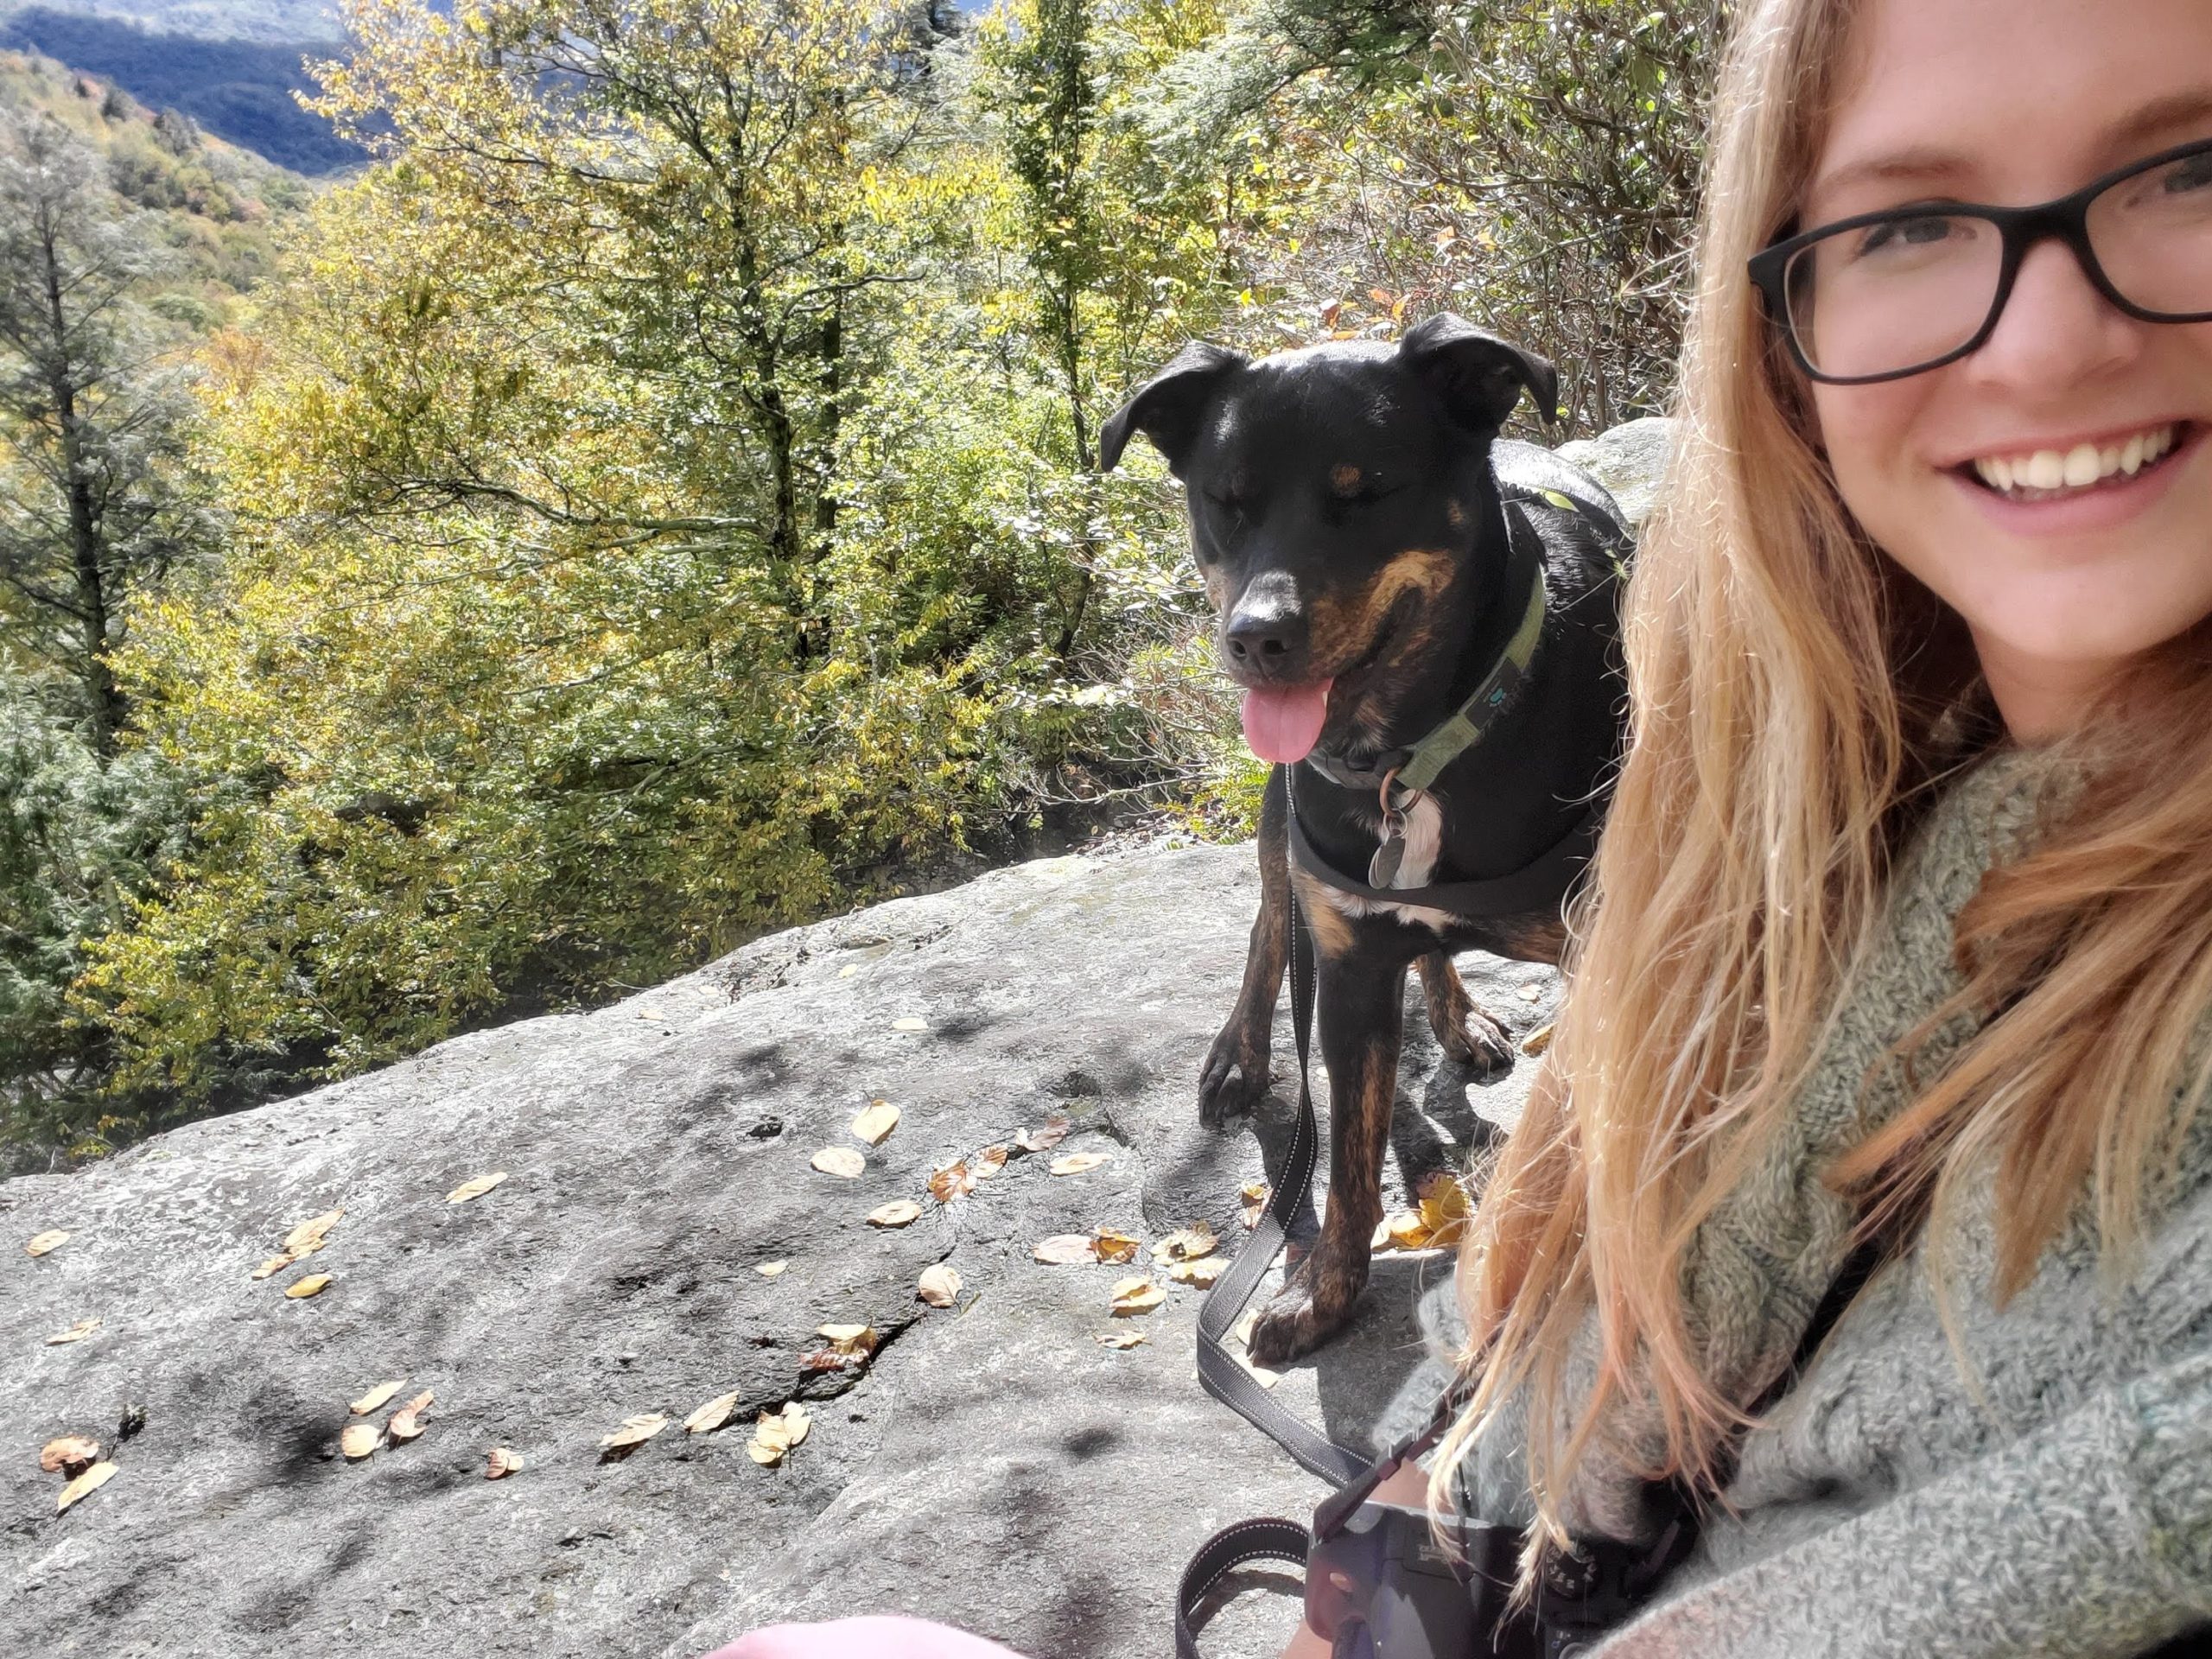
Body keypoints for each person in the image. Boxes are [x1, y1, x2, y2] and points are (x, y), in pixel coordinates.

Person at [716, 0, 2212, 1651]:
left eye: (2193, 170)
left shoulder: (1627, 727)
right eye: (1911, 221)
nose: (2047, 344)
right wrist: (1410, 1546)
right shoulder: (1789, 799)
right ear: (1781, 300)